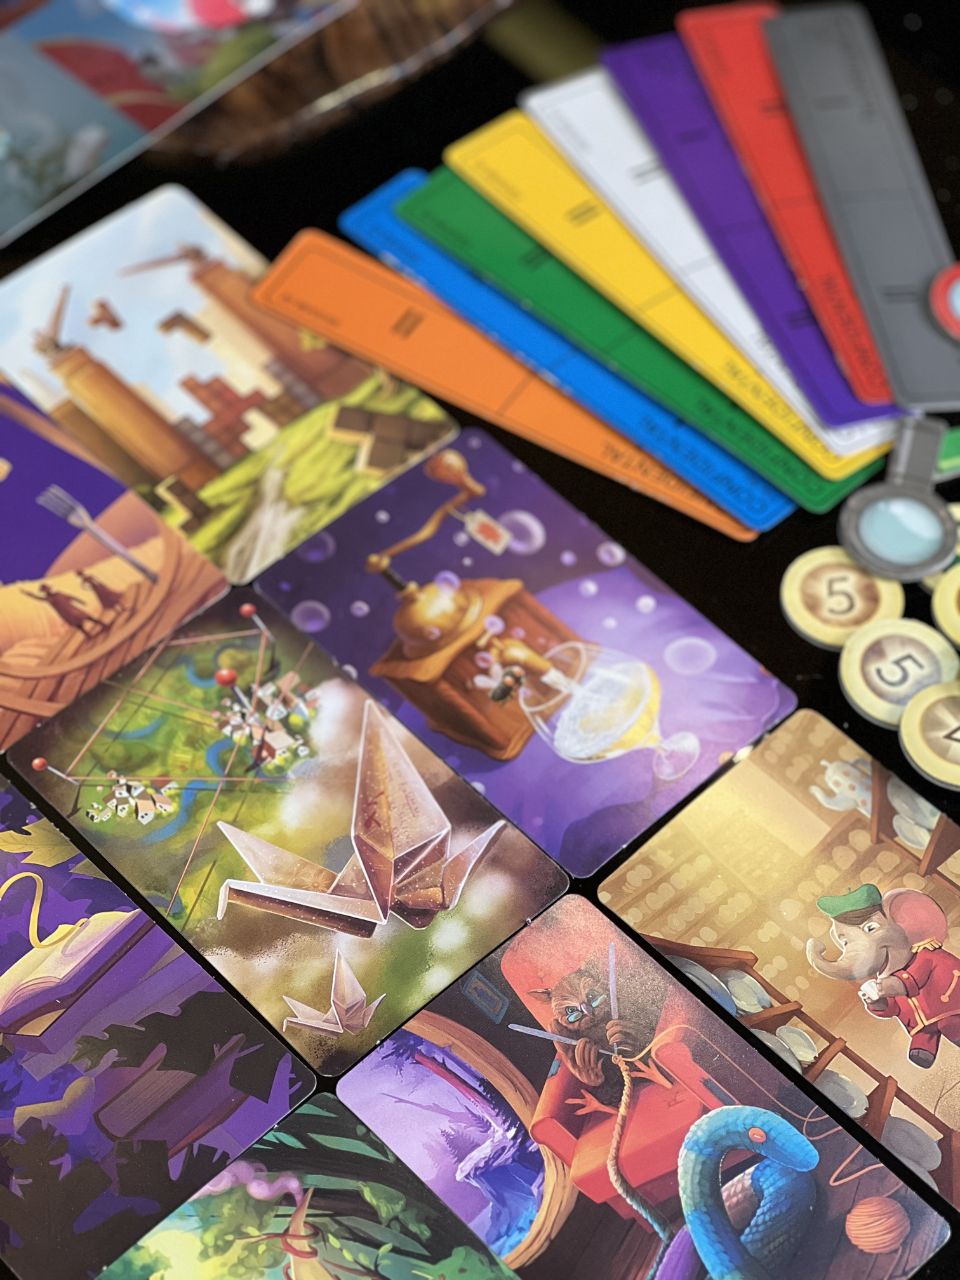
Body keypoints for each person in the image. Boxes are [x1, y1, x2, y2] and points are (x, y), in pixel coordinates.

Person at [20, 583, 109, 636]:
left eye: (47, 588)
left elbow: (70, 596)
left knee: (87, 617)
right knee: (78, 625)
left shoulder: (58, 593)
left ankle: (103, 624)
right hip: (66, 613)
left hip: (72, 609)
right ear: (44, 591)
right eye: (45, 589)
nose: (47, 590)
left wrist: (79, 600)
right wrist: (28, 594)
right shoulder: (48, 598)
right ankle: (88, 635)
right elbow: (38, 598)